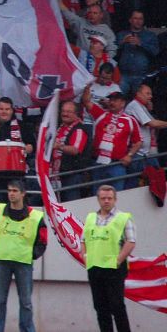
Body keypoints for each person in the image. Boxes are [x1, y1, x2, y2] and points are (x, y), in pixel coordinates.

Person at [0, 180, 46, 332]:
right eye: (9, 190)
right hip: (2, 261)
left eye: (15, 191)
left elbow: (42, 240)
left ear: (23, 194)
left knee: (26, 302)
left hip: (23, 262)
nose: (11, 194)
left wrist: (33, 254)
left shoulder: (35, 216)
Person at [81, 185, 135, 332]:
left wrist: (118, 260)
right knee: (100, 308)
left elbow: (131, 241)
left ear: (115, 199)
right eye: (103, 198)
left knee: (117, 307)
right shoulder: (90, 218)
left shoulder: (123, 218)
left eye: (109, 198)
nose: (106, 201)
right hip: (95, 268)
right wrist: (85, 257)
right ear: (98, 199)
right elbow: (83, 240)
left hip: (114, 269)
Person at [81, 84, 141, 191]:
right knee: (97, 194)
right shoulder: (100, 114)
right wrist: (86, 88)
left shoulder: (130, 120)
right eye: (111, 100)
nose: (112, 102)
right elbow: (86, 102)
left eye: (115, 100)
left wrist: (129, 155)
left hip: (117, 164)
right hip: (98, 163)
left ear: (123, 103)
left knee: (117, 194)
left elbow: (138, 142)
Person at [124, 84, 167, 190]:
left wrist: (149, 110)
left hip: (145, 153)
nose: (150, 96)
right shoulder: (134, 105)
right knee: (133, 184)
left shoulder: (141, 106)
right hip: (136, 153)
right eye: (147, 93)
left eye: (151, 94)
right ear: (138, 94)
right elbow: (152, 123)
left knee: (158, 178)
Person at [53, 100, 90, 201]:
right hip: (59, 174)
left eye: (69, 112)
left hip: (73, 174)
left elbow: (75, 150)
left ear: (76, 114)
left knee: (72, 202)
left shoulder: (79, 129)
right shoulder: (60, 127)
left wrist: (58, 146)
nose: (65, 114)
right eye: (63, 111)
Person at [115, 10, 158, 96]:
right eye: (135, 18)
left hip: (141, 76)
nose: (138, 21)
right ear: (130, 20)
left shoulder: (150, 35)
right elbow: (113, 51)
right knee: (117, 99)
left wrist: (141, 43)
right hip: (123, 75)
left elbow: (155, 52)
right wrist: (123, 42)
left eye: (140, 19)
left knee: (140, 101)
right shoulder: (121, 34)